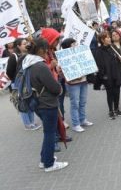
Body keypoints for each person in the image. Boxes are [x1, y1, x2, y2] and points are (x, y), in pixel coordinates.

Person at [24, 37, 68, 172]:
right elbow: (54, 87)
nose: (48, 52)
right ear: (42, 49)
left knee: (47, 132)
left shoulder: (27, 62)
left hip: (37, 102)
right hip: (47, 103)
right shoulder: (40, 66)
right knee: (49, 133)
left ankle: (44, 160)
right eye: (47, 50)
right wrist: (60, 89)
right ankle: (49, 164)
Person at [6, 38, 41, 130]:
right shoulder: (14, 56)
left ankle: (32, 122)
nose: (26, 45)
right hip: (18, 84)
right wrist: (16, 79)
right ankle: (27, 124)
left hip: (29, 83)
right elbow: (9, 71)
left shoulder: (29, 54)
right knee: (23, 103)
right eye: (24, 43)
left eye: (27, 43)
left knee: (31, 102)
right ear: (18, 46)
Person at [60, 38, 93, 133]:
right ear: (68, 45)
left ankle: (83, 120)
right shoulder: (63, 56)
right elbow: (62, 72)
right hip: (73, 83)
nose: (76, 44)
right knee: (75, 103)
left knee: (82, 102)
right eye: (74, 43)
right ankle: (76, 124)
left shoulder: (80, 53)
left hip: (83, 80)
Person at [94, 31, 121, 120]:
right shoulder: (99, 51)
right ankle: (111, 111)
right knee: (110, 94)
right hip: (107, 76)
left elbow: (119, 57)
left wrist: (120, 59)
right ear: (102, 40)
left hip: (116, 74)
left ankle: (116, 109)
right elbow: (99, 64)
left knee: (117, 93)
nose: (109, 39)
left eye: (109, 37)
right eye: (107, 38)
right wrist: (103, 76)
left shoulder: (113, 47)